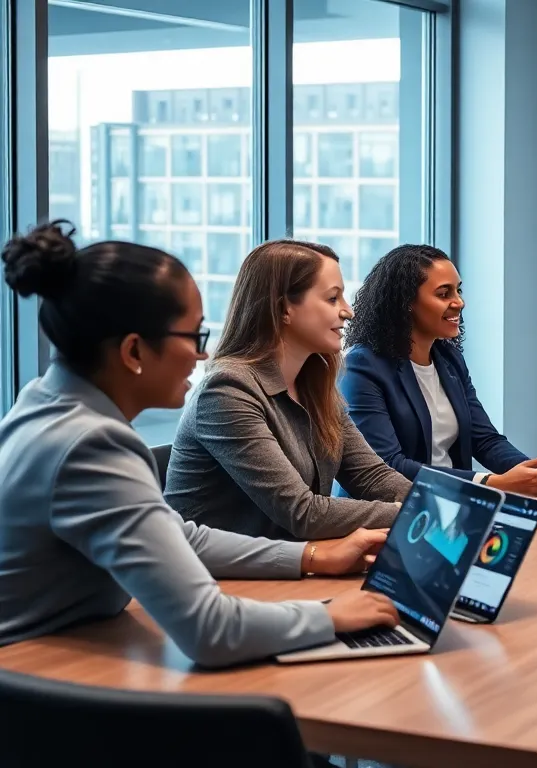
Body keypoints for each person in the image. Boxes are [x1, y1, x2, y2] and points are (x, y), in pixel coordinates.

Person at [0, 221, 397, 668]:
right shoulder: (92, 446)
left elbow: (177, 534)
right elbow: (212, 631)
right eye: (193, 337)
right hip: (27, 685)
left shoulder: (44, 406)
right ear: (133, 352)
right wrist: (330, 614)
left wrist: (311, 556)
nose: (202, 356)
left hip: (54, 660)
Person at [166, 240, 412, 541]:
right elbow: (303, 513)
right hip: (221, 578)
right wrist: (418, 513)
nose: (348, 311)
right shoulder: (227, 390)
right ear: (284, 308)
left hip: (293, 567)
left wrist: (441, 507)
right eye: (333, 299)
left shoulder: (314, 384)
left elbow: (372, 476)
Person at [340, 244, 537, 497]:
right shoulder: (362, 366)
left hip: (451, 506)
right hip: (390, 512)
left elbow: (485, 439)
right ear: (406, 302)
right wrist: (490, 483)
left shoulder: (449, 358)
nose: (459, 302)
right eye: (443, 294)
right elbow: (389, 465)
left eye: (458, 290)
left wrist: (536, 474)